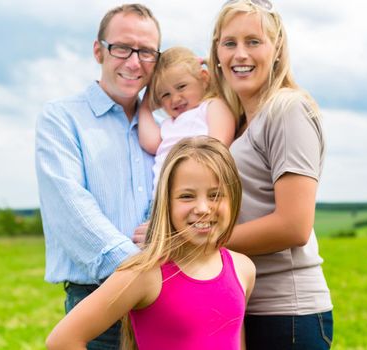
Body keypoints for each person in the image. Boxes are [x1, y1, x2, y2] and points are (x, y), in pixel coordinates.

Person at [46, 136, 256, 350]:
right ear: (166, 203)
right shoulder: (144, 274)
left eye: (215, 195)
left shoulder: (243, 268)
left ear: (234, 198)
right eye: (186, 196)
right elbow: (62, 340)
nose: (202, 208)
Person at [209, 0, 333, 349]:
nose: (240, 54)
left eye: (253, 41)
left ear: (277, 48)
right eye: (229, 43)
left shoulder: (288, 109)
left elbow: (294, 226)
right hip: (245, 308)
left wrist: (198, 241)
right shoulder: (242, 123)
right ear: (216, 52)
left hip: (287, 315)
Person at [35, 4, 160, 349]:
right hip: (98, 308)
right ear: (98, 50)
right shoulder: (61, 119)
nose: (134, 62)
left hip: (164, 307)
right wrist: (142, 273)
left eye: (147, 52)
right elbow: (72, 211)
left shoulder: (164, 131)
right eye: (122, 48)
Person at [137, 46, 235, 196]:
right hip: (162, 203)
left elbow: (218, 145)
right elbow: (149, 143)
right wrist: (145, 105)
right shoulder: (169, 123)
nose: (175, 99)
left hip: (197, 194)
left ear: (204, 78)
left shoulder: (212, 106)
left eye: (181, 87)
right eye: (165, 95)